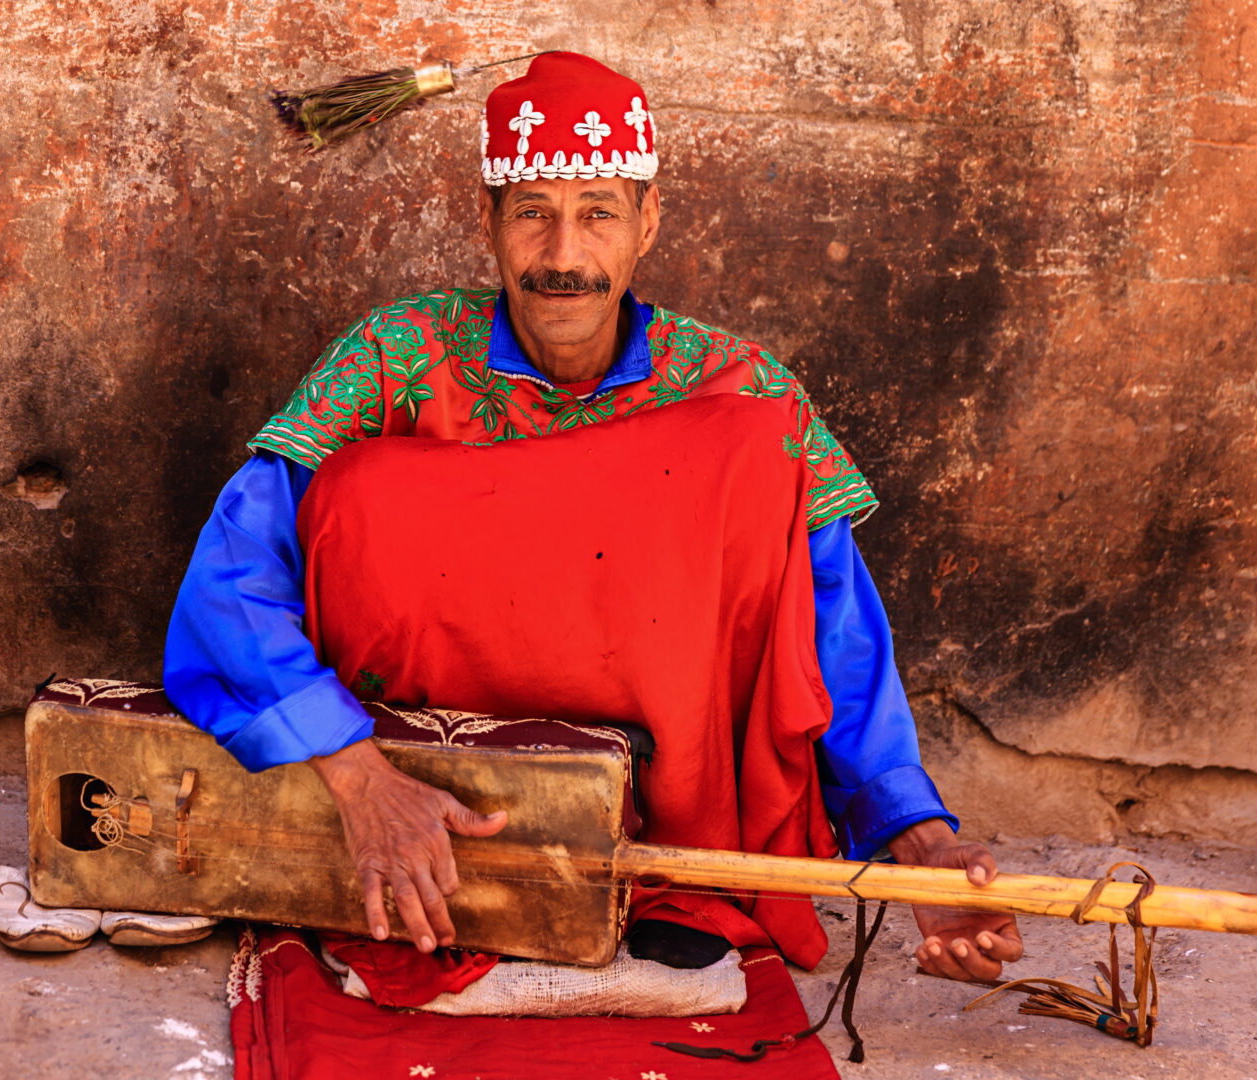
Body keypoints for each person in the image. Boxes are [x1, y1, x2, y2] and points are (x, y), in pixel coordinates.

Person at [165, 51, 1021, 983]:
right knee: (360, 487)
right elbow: (232, 582)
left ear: (648, 222)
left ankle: (670, 878)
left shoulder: (737, 389)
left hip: (661, 838)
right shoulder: (394, 359)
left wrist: (919, 840)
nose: (564, 257)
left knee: (750, 445)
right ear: (488, 222)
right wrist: (360, 779)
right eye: (533, 213)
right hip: (421, 789)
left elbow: (834, 631)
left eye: (599, 214)